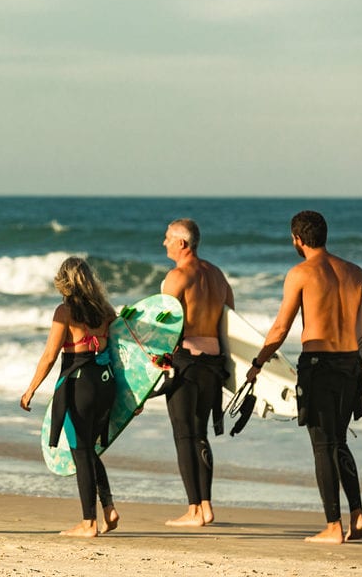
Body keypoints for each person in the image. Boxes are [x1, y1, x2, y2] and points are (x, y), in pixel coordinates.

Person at [246, 210, 362, 544]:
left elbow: (280, 328)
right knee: (339, 441)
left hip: (319, 366)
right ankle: (357, 514)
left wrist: (259, 362)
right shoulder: (355, 272)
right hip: (350, 365)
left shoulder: (301, 273)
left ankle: (333, 526)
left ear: (297, 239)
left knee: (323, 446)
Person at [20, 257, 120, 538]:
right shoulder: (106, 311)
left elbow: (50, 356)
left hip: (80, 385)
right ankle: (108, 507)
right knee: (89, 448)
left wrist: (31, 389)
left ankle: (89, 523)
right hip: (106, 383)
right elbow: (123, 355)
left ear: (64, 281)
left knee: (81, 451)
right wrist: (134, 396)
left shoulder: (64, 312)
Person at [159, 218, 233, 527]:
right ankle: (206, 505)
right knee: (200, 434)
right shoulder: (217, 276)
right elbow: (230, 324)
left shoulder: (176, 278)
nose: (164, 243)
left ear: (182, 243)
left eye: (168, 238)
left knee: (183, 435)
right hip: (213, 366)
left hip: (185, 365)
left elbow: (163, 326)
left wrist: (158, 361)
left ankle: (193, 510)